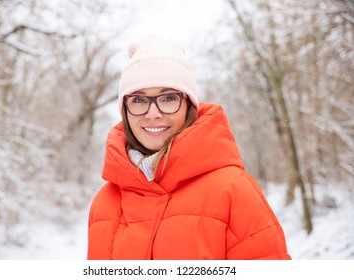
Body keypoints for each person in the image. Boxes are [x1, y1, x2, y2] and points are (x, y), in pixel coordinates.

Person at [87, 35, 291, 260]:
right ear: (124, 109)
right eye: (138, 100)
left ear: (188, 105)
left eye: (168, 98)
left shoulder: (233, 191)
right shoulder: (105, 202)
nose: (153, 113)